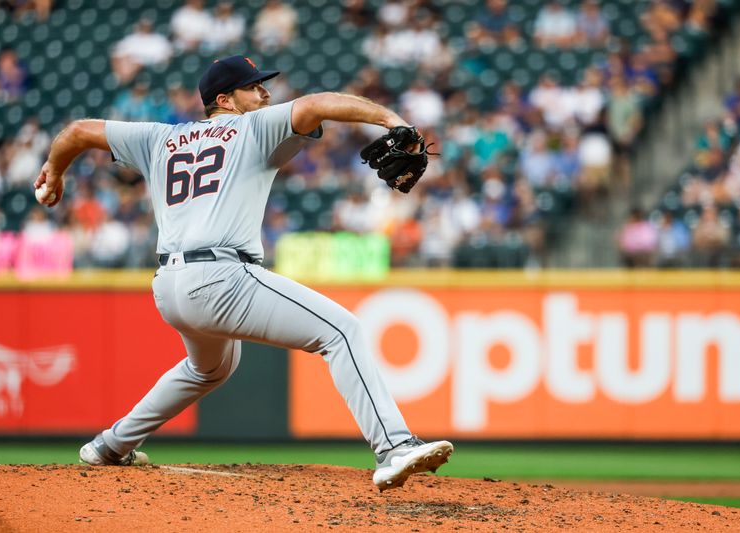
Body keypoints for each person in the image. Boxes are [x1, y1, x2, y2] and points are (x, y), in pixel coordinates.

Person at [34, 55, 453, 491]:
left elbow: (78, 131)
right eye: (254, 87)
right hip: (220, 278)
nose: (265, 93)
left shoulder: (160, 138)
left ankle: (110, 445)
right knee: (342, 331)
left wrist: (54, 174)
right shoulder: (252, 126)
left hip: (169, 288)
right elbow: (321, 103)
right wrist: (394, 121)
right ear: (224, 99)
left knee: (210, 369)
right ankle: (395, 447)